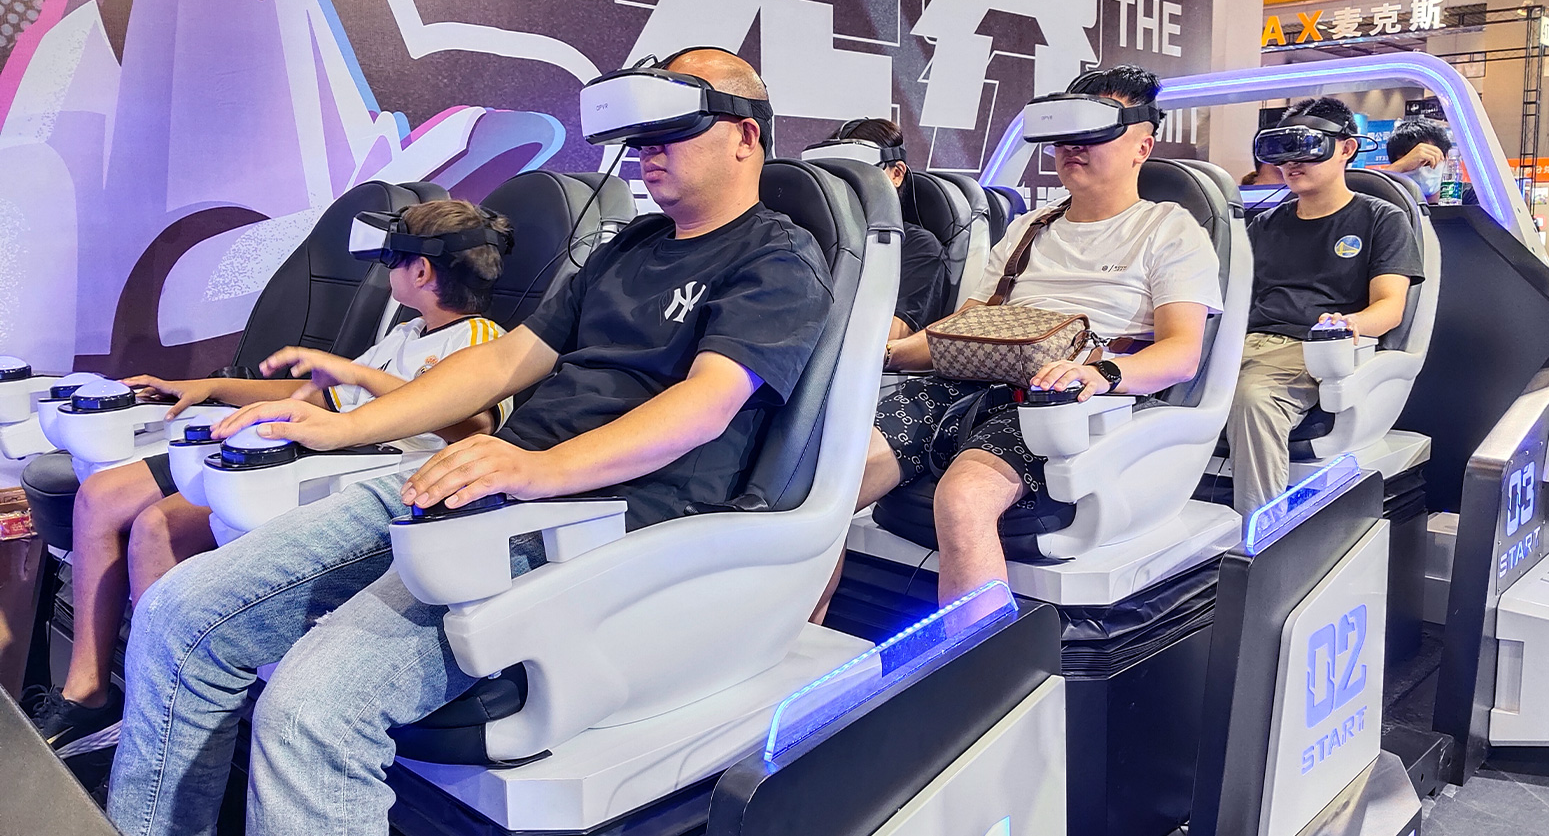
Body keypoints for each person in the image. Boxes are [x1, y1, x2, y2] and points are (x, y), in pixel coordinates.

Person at [105, 48, 833, 836]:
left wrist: (540, 469)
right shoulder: (628, 249)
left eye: (671, 129)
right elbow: (503, 360)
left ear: (745, 137)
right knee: (178, 616)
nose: (647, 149)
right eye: (640, 134)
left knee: (310, 709)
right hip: (484, 491)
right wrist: (345, 426)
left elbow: (706, 404)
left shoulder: (778, 256)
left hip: (597, 524)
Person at [27, 200, 514, 764]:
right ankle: (115, 703)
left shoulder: (482, 341)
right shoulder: (406, 335)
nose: (386, 272)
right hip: (315, 456)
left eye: (391, 261)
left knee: (158, 528)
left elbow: (473, 423)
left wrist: (358, 374)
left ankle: (159, 721)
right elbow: (324, 395)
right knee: (110, 500)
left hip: (367, 485)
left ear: (421, 270)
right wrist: (211, 387)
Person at [842, 65, 1222, 607]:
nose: (1073, 147)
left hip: (1068, 404)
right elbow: (964, 331)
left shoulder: (1169, 229)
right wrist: (885, 354)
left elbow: (1181, 354)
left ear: (1142, 145)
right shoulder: (1029, 228)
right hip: (972, 386)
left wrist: (1099, 374)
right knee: (837, 478)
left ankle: (980, 657)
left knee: (963, 498)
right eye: (1065, 135)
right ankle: (796, 640)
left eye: (1094, 132)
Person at [1227, 98, 1424, 517]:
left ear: (1346, 149)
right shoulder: (1263, 225)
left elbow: (1389, 307)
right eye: (1285, 151)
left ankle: (1262, 533)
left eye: (1308, 148)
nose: (1293, 163)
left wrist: (1346, 324)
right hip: (1245, 344)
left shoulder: (1381, 219)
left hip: (1314, 349)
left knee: (1254, 398)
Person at [827, 118, 947, 338]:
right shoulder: (817, 239)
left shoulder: (919, 248)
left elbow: (889, 336)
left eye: (857, 172)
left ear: (897, 174)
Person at [1384, 117, 1477, 206]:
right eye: (1410, 166)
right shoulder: (1389, 202)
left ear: (1446, 158)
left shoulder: (1471, 195)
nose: (1420, 170)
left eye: (1427, 162)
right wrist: (1396, 168)